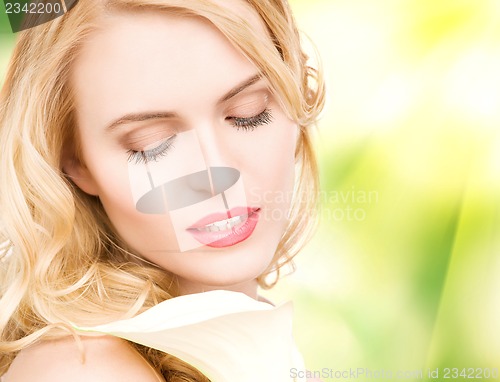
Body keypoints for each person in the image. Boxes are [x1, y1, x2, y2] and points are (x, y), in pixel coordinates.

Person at [0, 0, 325, 380]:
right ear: (74, 162)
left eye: (248, 113)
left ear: (297, 89)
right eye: (151, 145)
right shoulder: (79, 368)